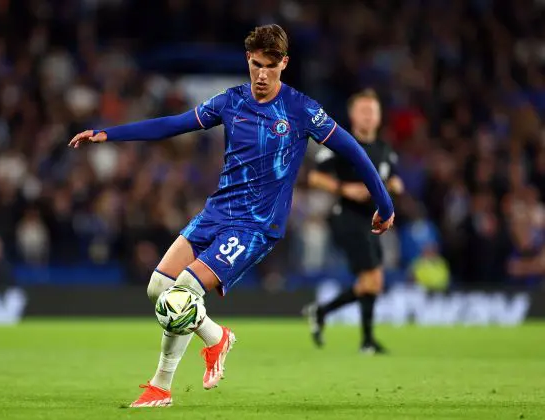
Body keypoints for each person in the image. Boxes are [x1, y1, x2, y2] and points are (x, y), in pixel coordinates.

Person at [69, 25, 395, 408]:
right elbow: (174, 125)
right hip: (216, 213)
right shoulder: (231, 102)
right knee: (158, 288)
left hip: (256, 224)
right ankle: (215, 337)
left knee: (182, 293)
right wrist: (108, 134)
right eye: (256, 64)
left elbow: (353, 150)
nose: (261, 74)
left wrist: (384, 204)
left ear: (284, 64)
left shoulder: (301, 109)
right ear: (248, 60)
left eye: (270, 66)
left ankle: (161, 386)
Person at [303, 89, 404, 354]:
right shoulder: (341, 143)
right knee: (371, 280)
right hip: (346, 217)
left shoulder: (384, 150)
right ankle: (365, 341)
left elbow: (393, 179)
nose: (368, 116)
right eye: (363, 110)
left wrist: (394, 186)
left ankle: (326, 314)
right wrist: (344, 188)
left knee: (374, 282)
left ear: (380, 116)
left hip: (375, 221)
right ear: (352, 114)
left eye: (372, 111)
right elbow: (315, 177)